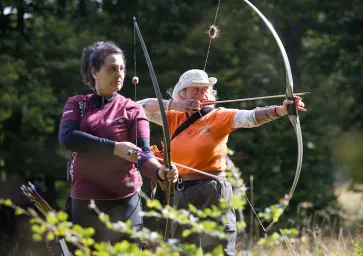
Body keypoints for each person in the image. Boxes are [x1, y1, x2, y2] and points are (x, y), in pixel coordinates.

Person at [138, 69, 307, 255]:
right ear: (182, 93)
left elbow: (250, 117)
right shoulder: (172, 117)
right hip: (181, 190)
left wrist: (281, 110)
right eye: (195, 89)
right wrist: (173, 105)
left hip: (212, 188)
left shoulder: (218, 115)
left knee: (219, 249)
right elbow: (138, 107)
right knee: (183, 250)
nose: (201, 93)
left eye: (204, 89)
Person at [58, 41, 178, 245]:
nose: (119, 74)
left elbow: (143, 154)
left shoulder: (132, 109)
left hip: (125, 201)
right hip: (85, 200)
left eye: (122, 68)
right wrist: (115, 148)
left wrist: (160, 171)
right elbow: (68, 137)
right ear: (94, 72)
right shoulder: (77, 103)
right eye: (112, 68)